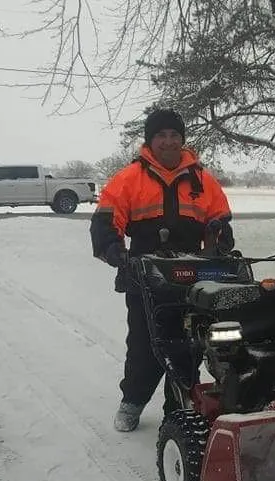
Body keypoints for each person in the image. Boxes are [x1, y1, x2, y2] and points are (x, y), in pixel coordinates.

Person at [91, 108, 234, 432]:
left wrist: (219, 237)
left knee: (190, 344)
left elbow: (220, 220)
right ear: (150, 140)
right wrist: (116, 252)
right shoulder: (128, 179)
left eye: (174, 135)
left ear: (182, 139)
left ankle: (179, 407)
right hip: (145, 274)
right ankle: (133, 401)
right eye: (161, 136)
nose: (168, 141)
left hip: (192, 276)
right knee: (144, 344)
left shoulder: (202, 180)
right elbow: (105, 223)